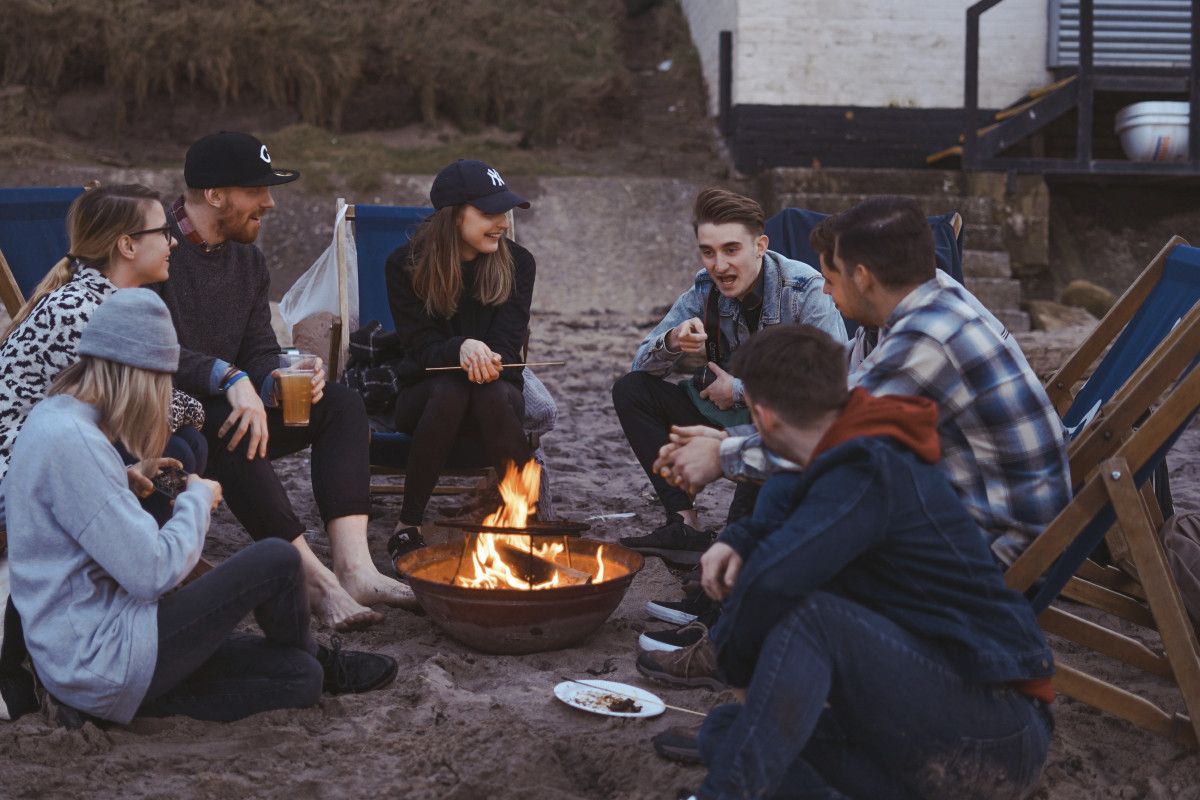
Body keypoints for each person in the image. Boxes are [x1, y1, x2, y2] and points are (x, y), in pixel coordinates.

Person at [646, 324, 1055, 800]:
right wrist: (735, 538)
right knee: (728, 730)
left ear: (761, 418)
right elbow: (775, 510)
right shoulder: (829, 450)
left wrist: (738, 670)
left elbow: (773, 583)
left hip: (995, 726)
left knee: (810, 617)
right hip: (921, 720)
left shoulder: (870, 463)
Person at [5, 290, 397, 726]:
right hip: (103, 656)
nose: (159, 398)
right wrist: (197, 499)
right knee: (278, 559)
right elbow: (152, 573)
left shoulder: (55, 418)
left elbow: (70, 520)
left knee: (299, 679)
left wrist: (123, 480)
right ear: (135, 372)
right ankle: (319, 656)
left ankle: (309, 664)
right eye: (160, 382)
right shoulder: (75, 442)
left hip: (91, 655)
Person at [656, 196, 1069, 569]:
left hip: (999, 544)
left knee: (808, 501)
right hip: (958, 499)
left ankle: (730, 622)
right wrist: (746, 430)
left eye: (830, 280)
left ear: (863, 278)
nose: (826, 292)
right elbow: (837, 395)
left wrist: (722, 455)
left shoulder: (929, 338)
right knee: (788, 488)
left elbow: (835, 434)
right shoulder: (916, 301)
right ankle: (723, 615)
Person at [153, 130, 414, 632]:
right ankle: (314, 582)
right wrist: (229, 378)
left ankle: (355, 568)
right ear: (215, 195)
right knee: (232, 425)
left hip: (238, 402)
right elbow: (148, 346)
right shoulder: (153, 246)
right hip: (171, 418)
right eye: (258, 191)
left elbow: (257, 345)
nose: (270, 204)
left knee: (340, 403)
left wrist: (277, 375)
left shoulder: (247, 259)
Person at [611, 187, 845, 567]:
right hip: (722, 415)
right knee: (632, 390)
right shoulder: (704, 287)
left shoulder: (805, 290)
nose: (718, 266)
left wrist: (738, 390)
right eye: (708, 251)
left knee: (744, 520)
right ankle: (684, 525)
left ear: (760, 245)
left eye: (731, 250)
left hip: (782, 425)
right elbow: (642, 364)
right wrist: (674, 340)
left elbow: (834, 386)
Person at [0, 184, 208, 521]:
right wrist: (189, 405)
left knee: (186, 445)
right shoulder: (76, 312)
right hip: (20, 470)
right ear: (127, 245)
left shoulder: (109, 304)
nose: (173, 242)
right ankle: (149, 550)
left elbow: (151, 407)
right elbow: (140, 416)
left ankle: (155, 534)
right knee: (172, 449)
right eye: (164, 232)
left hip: (68, 451)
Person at [383, 159, 535, 562]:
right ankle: (408, 525)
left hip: (497, 399)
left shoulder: (519, 264)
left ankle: (523, 522)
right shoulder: (405, 266)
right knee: (451, 388)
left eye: (504, 211)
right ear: (453, 216)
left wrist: (485, 356)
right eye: (489, 213)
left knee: (487, 391)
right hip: (426, 399)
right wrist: (460, 347)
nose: (502, 222)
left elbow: (507, 342)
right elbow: (422, 348)